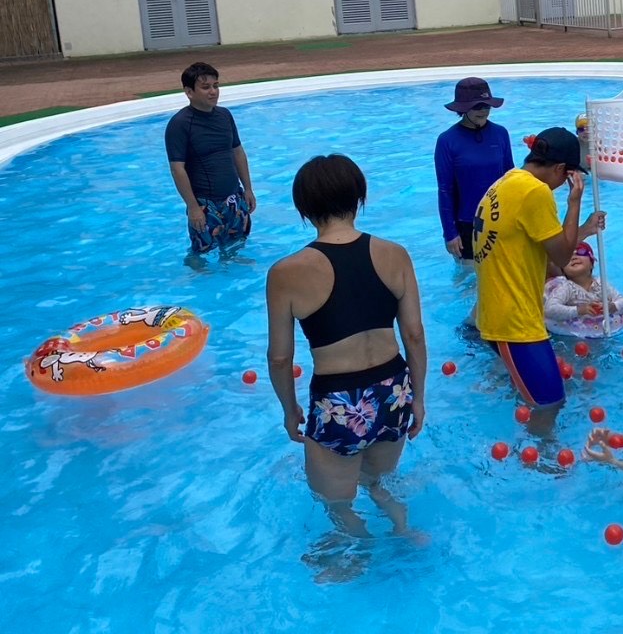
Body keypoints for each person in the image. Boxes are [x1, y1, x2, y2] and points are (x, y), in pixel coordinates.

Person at [265, 154, 427, 538]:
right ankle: (403, 530)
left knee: (337, 504)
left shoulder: (287, 272)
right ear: (359, 198)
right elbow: (415, 335)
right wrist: (417, 398)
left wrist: (290, 411)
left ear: (303, 208)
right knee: (378, 483)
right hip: (393, 390)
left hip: (339, 402)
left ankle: (360, 555)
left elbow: (280, 357)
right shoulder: (395, 254)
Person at [473, 127, 604, 416]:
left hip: (500, 316)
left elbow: (545, 257)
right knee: (549, 405)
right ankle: (540, 460)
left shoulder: (506, 183)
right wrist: (574, 202)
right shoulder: (536, 192)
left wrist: (583, 230)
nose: (565, 184)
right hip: (515, 325)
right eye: (568, 176)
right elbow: (562, 254)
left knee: (542, 396)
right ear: (559, 169)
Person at [165, 61, 256, 257]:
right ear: (189, 92)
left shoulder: (225, 116)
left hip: (234, 199)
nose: (213, 92)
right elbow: (177, 169)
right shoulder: (179, 124)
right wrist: (193, 207)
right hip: (205, 205)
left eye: (216, 86)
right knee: (200, 256)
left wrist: (247, 189)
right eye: (205, 87)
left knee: (237, 248)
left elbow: (237, 152)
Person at [434, 76, 513, 262]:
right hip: (468, 224)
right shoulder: (447, 141)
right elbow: (445, 190)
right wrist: (450, 233)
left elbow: (510, 177)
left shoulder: (501, 134)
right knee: (469, 282)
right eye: (477, 106)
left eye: (487, 105)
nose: (483, 111)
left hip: (501, 220)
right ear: (462, 108)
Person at [543, 241, 623, 337]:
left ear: (592, 264)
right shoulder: (566, 288)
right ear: (563, 270)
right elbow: (549, 310)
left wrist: (611, 307)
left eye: (581, 252)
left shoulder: (601, 284)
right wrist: (579, 310)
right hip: (572, 331)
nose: (574, 257)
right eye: (568, 257)